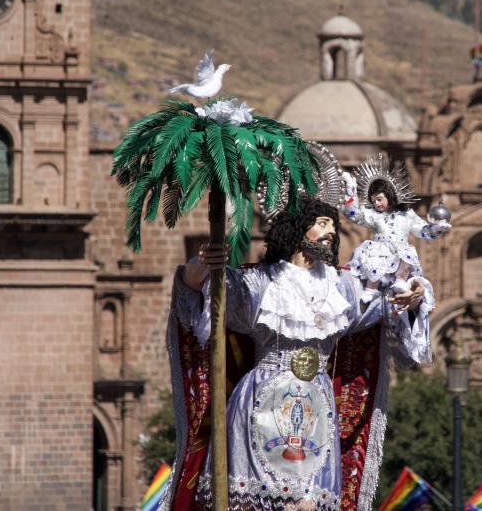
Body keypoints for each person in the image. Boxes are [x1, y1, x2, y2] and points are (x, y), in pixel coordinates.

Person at [162, 197, 434, 511]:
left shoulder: (341, 287)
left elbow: (386, 302)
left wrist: (413, 294)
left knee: (308, 503)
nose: (331, 231)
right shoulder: (260, 282)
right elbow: (199, 287)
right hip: (262, 401)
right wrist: (204, 264)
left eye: (333, 224)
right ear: (296, 229)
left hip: (316, 407)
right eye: (322, 223)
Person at [341, 155, 450, 295]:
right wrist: (351, 192)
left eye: (379, 199)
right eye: (373, 201)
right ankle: (370, 289)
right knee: (374, 263)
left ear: (390, 196)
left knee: (408, 253)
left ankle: (400, 280)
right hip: (380, 250)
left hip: (399, 251)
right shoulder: (374, 215)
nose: (377, 204)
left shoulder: (407, 215)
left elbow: (421, 230)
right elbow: (354, 215)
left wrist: (435, 228)